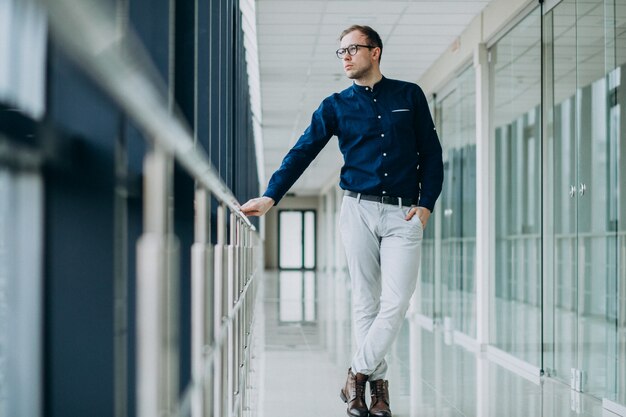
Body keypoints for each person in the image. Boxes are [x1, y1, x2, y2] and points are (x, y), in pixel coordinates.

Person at [241, 24, 443, 417]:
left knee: (397, 300)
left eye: (353, 49)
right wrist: (271, 196)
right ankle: (375, 391)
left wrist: (426, 204)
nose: (346, 57)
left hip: (405, 212)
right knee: (365, 301)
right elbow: (301, 152)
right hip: (358, 209)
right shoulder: (335, 105)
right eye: (342, 52)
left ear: (376, 51)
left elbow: (431, 154)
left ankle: (356, 374)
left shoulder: (409, 95)